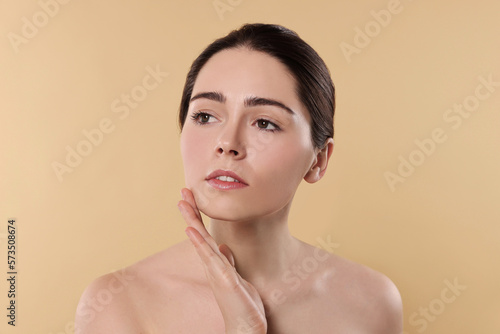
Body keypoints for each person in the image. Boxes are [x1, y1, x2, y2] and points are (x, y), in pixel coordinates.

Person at [75, 23, 403, 333]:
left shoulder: (369, 301)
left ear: (318, 160)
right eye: (205, 116)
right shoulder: (118, 303)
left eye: (264, 123)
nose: (228, 144)